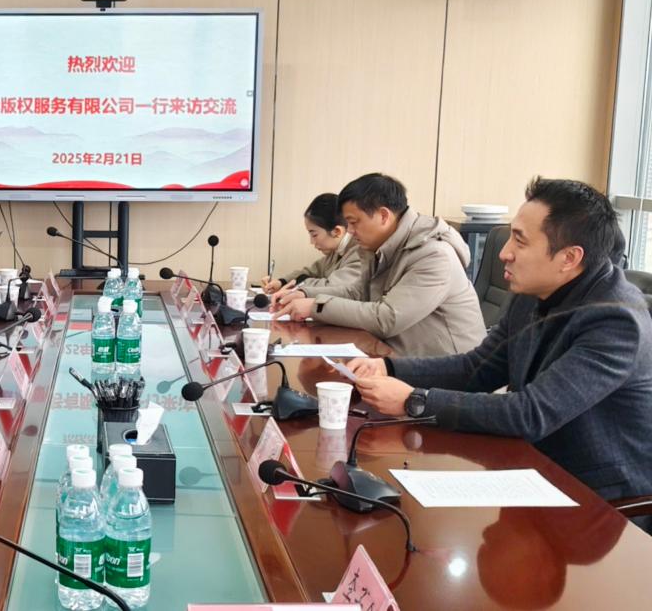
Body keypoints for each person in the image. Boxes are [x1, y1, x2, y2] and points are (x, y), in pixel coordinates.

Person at [347, 177, 652, 507]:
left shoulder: (616, 321)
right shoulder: (533, 292)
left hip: (599, 498)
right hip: (531, 466)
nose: (504, 253)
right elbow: (476, 369)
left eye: (520, 241)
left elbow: (531, 413)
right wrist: (388, 367)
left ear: (569, 258)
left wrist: (414, 401)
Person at [272, 173, 486, 356]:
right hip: (402, 357)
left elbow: (388, 318)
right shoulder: (381, 247)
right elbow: (358, 292)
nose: (350, 231)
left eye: (354, 222)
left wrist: (315, 306)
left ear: (383, 216)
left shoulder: (435, 255)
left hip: (448, 373)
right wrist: (305, 293)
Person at [260, 193, 360, 295]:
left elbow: (332, 287)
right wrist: (281, 282)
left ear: (337, 231)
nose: (311, 242)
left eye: (314, 235)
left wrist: (297, 284)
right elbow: (311, 272)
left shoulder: (359, 253)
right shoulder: (335, 251)